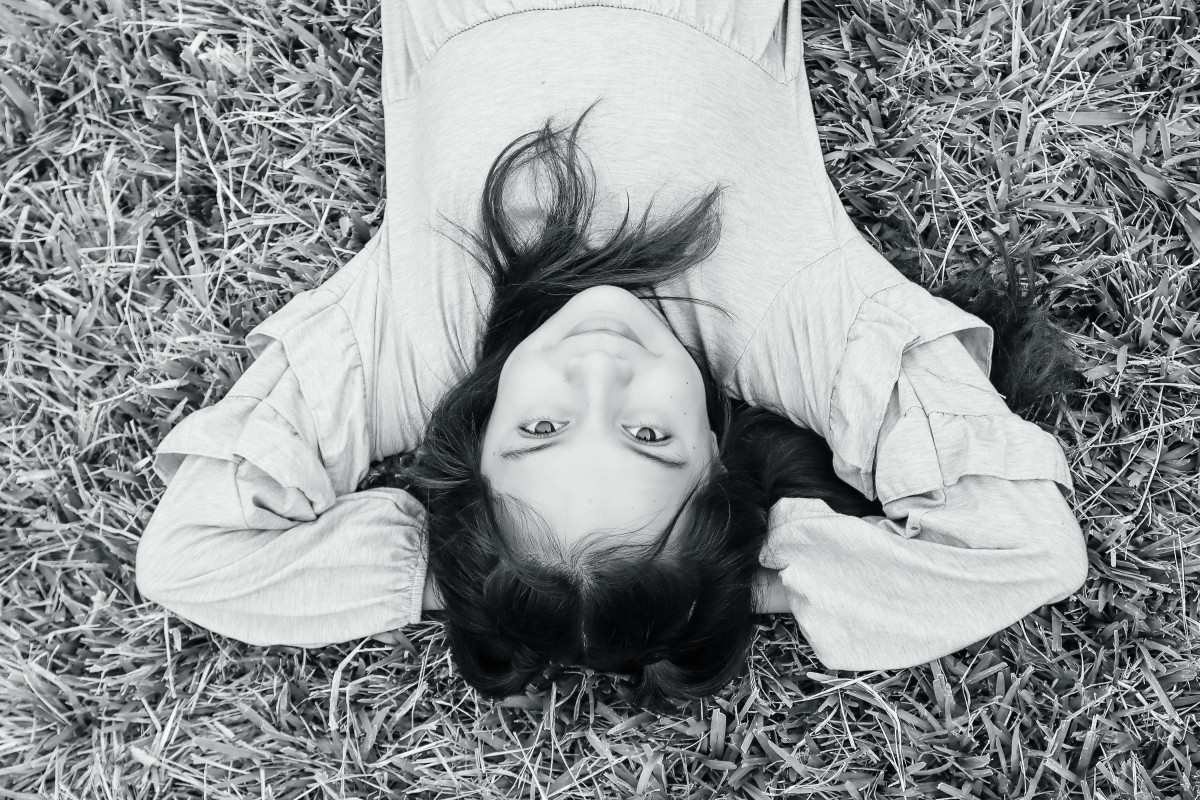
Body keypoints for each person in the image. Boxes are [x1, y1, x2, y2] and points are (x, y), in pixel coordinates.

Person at [135, 0, 1089, 711]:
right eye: (649, 436)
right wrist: (750, 568)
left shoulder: (409, 338)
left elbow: (191, 558)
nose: (597, 370)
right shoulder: (795, 319)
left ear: (477, 446)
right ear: (719, 462)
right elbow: (1021, 549)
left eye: (541, 428)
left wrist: (455, 576)